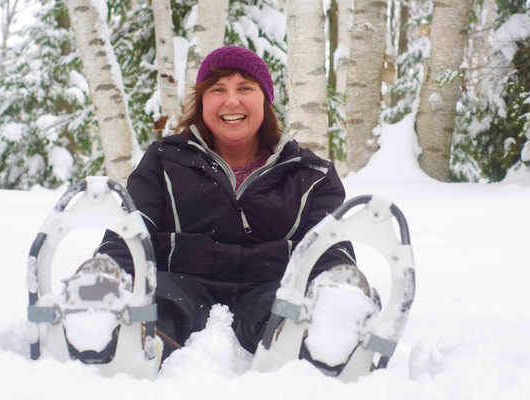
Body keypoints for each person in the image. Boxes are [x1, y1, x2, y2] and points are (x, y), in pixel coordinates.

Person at [96, 45, 356, 360]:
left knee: (289, 312)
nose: (231, 101)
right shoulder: (164, 161)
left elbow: (330, 248)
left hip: (270, 289)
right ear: (202, 101)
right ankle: (123, 347)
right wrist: (108, 277)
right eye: (218, 89)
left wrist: (337, 288)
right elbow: (131, 230)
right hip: (179, 286)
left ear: (265, 99)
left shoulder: (311, 174)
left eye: (245, 88)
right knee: (153, 303)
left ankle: (316, 351)